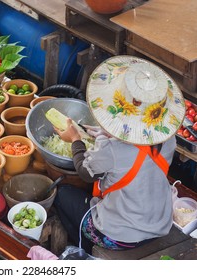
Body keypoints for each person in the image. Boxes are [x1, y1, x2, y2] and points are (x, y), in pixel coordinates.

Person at [53, 55, 186, 254]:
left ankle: (85, 250)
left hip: (119, 236)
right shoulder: (168, 140)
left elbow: (85, 172)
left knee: (62, 194)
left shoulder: (113, 150)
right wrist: (104, 134)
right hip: (158, 225)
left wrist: (75, 139)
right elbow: (137, 149)